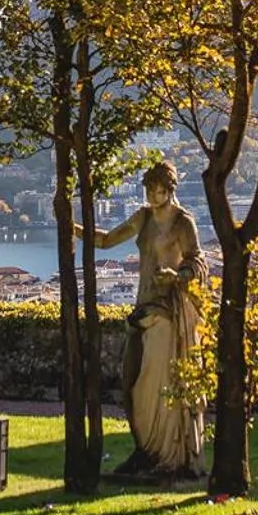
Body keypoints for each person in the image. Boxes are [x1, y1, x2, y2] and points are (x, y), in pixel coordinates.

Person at [86, 161, 207, 480]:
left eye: (160, 191)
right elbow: (107, 240)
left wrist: (177, 275)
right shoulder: (143, 217)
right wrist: (73, 228)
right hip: (142, 308)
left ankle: (166, 454)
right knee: (132, 384)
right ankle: (145, 450)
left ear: (170, 190)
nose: (154, 196)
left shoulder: (183, 222)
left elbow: (198, 262)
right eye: (150, 190)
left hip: (167, 313)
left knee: (156, 383)